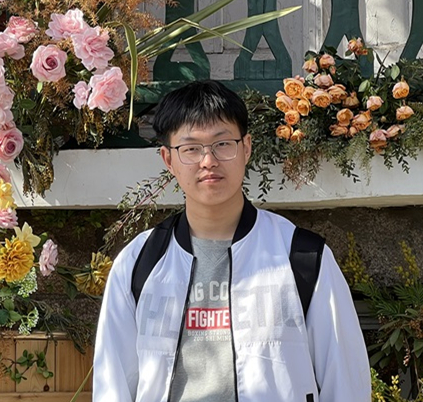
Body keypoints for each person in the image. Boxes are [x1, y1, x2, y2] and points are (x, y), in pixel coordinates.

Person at [93, 80, 371, 402]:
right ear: (168, 160)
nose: (208, 160)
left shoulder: (302, 256)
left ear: (246, 147)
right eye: (191, 148)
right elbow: (112, 385)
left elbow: (345, 382)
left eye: (223, 144)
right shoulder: (139, 262)